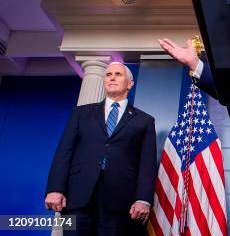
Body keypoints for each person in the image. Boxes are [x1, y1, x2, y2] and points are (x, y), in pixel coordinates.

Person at [45, 62, 157, 236]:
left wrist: (143, 199)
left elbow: (147, 164)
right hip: (77, 197)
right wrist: (55, 188)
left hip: (120, 204)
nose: (112, 77)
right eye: (108, 74)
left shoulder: (145, 120)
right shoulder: (81, 113)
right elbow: (64, 152)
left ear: (129, 83)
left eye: (118, 74)